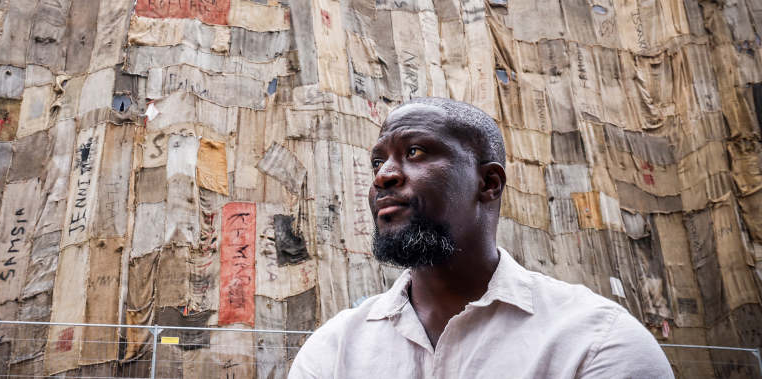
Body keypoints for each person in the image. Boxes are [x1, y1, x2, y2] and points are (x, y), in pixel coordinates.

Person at [288, 97, 674, 378]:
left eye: (416, 151)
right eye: (378, 161)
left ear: (488, 183)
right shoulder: (333, 351)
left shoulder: (594, 343)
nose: (383, 175)